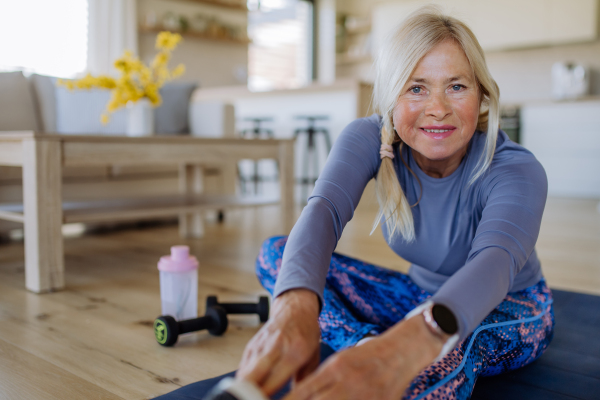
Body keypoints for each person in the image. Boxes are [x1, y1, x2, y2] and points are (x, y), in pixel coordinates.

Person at [237, 6, 554, 400]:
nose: (438, 108)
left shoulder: (517, 169)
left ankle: (388, 361)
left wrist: (407, 347)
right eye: (416, 87)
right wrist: (294, 308)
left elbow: (495, 263)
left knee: (446, 353)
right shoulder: (369, 136)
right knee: (278, 255)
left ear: (482, 95)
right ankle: (363, 347)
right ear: (390, 96)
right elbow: (324, 212)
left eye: (456, 86)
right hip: (416, 297)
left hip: (508, 309)